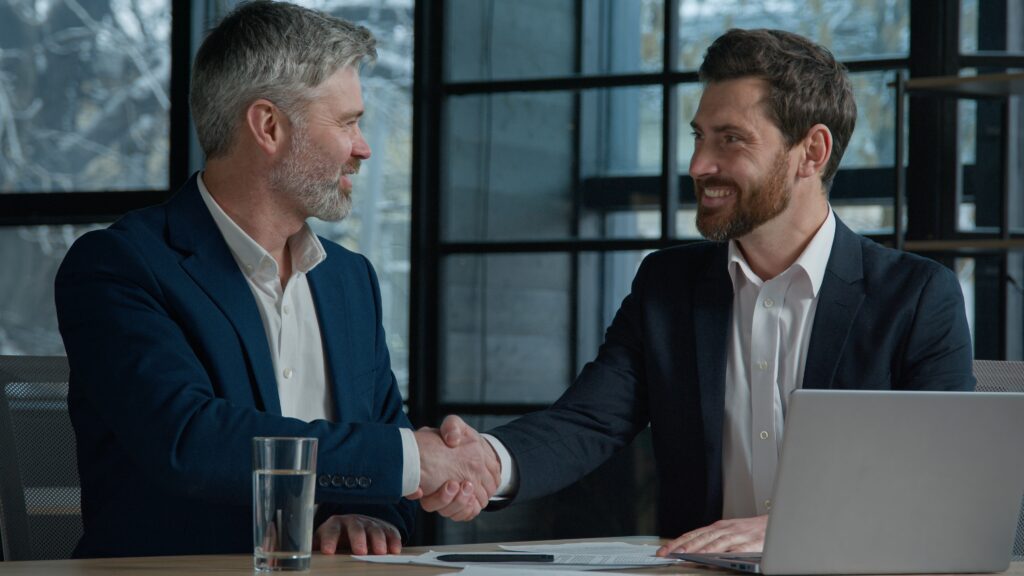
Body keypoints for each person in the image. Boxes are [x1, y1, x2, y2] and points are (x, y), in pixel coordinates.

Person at [420, 28, 976, 553]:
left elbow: (942, 478)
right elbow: (590, 420)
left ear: (812, 151)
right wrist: (487, 462)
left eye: (730, 140)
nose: (698, 165)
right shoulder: (667, 285)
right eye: (699, 137)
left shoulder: (916, 297)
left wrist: (794, 529)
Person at [54, 0, 497, 559]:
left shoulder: (349, 280)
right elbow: (190, 439)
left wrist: (369, 511)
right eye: (347, 122)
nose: (363, 148)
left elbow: (383, 439)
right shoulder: (119, 266)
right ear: (268, 126)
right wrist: (410, 459)